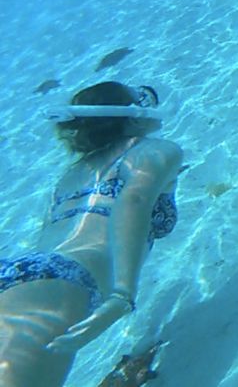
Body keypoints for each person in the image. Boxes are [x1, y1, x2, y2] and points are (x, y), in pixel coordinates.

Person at [0, 81, 183, 387]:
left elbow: (49, 242)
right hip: (67, 278)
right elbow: (134, 200)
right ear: (133, 115)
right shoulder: (155, 149)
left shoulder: (71, 175)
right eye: (142, 99)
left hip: (24, 276)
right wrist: (123, 294)